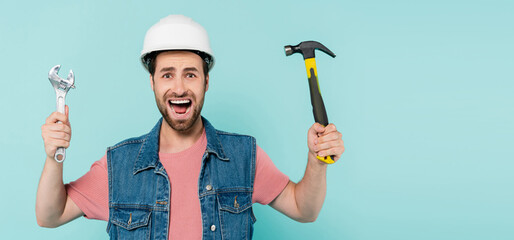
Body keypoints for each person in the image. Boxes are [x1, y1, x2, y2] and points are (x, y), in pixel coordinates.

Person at [35, 15, 345, 239]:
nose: (180, 88)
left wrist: (318, 160)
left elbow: (305, 210)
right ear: (153, 83)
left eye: (191, 74)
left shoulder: (243, 157)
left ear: (206, 81)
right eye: (167, 75)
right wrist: (53, 158)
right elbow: (50, 216)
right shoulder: (119, 166)